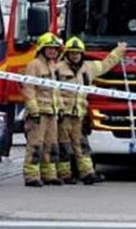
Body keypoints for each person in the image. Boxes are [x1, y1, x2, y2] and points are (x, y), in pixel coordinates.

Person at [55, 37, 127, 185]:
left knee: (81, 145)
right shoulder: (58, 69)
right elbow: (52, 91)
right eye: (72, 53)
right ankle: (64, 174)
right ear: (67, 53)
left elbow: (107, 64)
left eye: (78, 53)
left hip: (79, 115)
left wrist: (118, 52)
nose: (75, 55)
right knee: (64, 145)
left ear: (82, 54)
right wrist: (58, 110)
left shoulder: (89, 67)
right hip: (64, 115)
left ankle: (87, 173)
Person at [22, 32, 63, 187]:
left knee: (51, 144)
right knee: (36, 144)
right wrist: (34, 110)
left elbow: (56, 91)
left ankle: (49, 175)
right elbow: (29, 88)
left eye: (55, 49)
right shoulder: (34, 65)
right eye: (49, 48)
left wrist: (59, 109)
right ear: (41, 49)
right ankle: (31, 175)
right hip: (38, 112)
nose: (53, 51)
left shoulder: (53, 66)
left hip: (51, 112)